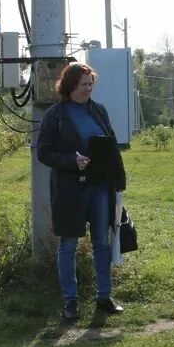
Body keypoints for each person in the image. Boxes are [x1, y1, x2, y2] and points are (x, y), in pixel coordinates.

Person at [36, 63, 128, 321]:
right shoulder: (56, 115)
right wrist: (70, 161)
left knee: (102, 241)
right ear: (70, 86)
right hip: (70, 190)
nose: (88, 89)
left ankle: (104, 296)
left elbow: (111, 146)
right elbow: (44, 152)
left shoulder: (99, 111)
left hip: (100, 186)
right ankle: (71, 300)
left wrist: (119, 179)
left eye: (90, 84)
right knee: (68, 244)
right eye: (83, 85)